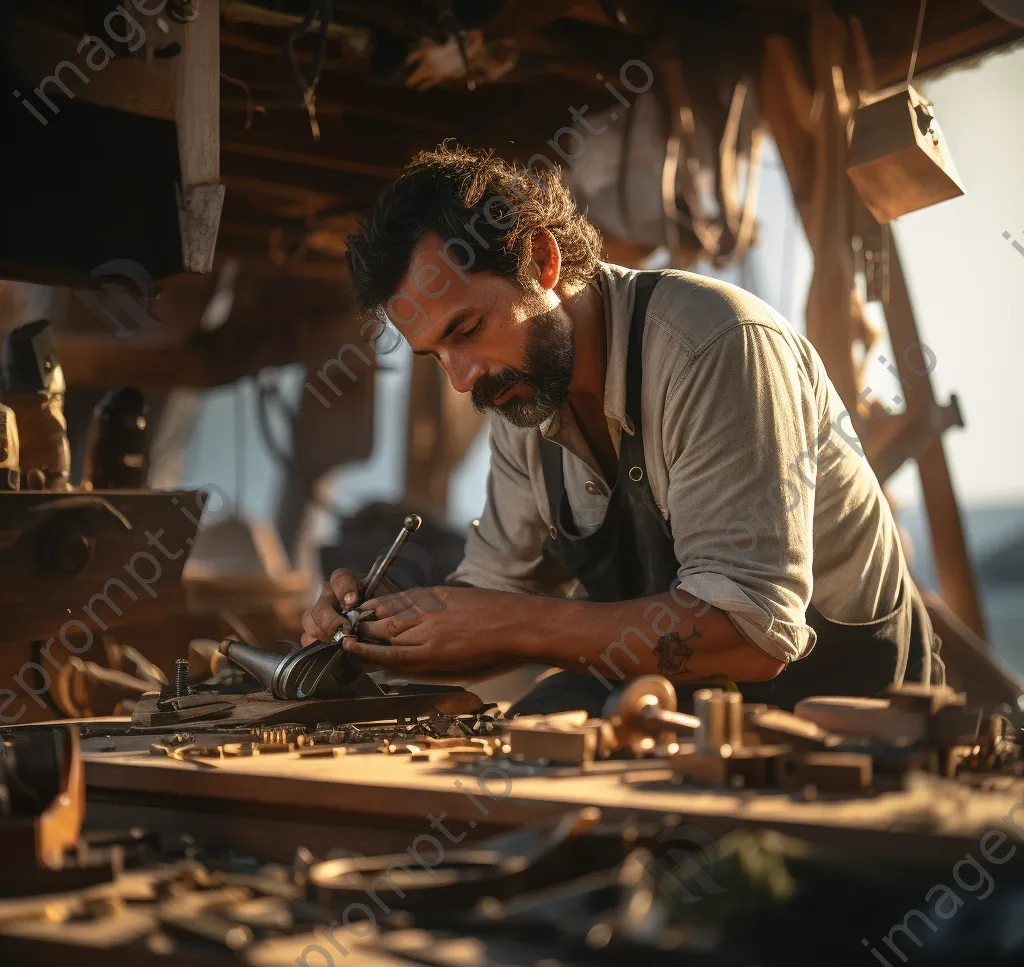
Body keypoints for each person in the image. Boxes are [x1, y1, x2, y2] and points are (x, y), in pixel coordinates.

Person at [301, 144, 940, 715]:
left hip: (843, 724)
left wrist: (511, 622)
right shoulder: (523, 392)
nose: (462, 381)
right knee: (518, 749)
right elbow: (494, 600)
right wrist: (374, 634)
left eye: (466, 331)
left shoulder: (715, 348)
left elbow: (752, 637)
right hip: (674, 705)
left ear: (542, 260)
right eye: (435, 356)